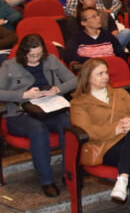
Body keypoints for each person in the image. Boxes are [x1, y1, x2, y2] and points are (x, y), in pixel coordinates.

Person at [69, 59, 130, 213]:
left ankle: (122, 179)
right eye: (100, 74)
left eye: (106, 72)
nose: (106, 77)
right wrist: (115, 129)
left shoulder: (120, 93)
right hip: (105, 146)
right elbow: (87, 131)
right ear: (88, 77)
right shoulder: (79, 103)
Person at [0, 35, 77, 197]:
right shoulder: (9, 65)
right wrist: (24, 94)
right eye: (32, 56)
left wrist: (58, 89)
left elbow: (74, 80)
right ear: (23, 53)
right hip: (21, 112)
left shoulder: (51, 60)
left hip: (49, 107)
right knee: (38, 130)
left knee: (67, 125)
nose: (36, 59)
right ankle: (47, 181)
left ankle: (68, 173)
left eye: (39, 55)